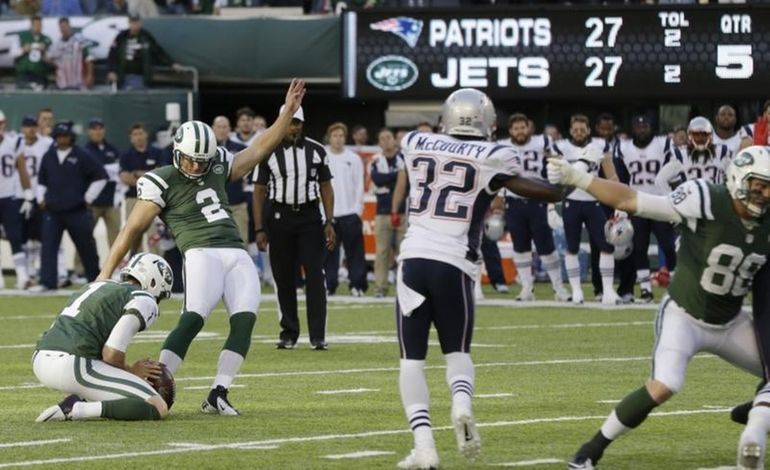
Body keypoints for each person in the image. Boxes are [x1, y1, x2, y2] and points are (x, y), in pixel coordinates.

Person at [546, 145, 770, 470]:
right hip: (684, 315)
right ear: (739, 178)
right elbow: (629, 200)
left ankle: (756, 411)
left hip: (730, 322)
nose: (764, 194)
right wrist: (578, 178)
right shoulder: (705, 198)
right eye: (758, 185)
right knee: (665, 385)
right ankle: (591, 449)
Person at [98, 79, 306, 415]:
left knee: (244, 320)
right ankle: (151, 387)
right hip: (200, 251)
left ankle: (218, 393)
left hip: (237, 251)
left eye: (202, 161)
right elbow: (130, 229)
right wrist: (105, 272)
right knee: (193, 318)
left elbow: (258, 149)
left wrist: (287, 115)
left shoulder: (217, 164)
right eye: (191, 160)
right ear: (178, 152)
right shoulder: (161, 179)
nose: (197, 166)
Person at [388, 88, 569, 470]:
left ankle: (425, 447)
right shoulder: (495, 155)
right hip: (453, 264)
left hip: (414, 260)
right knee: (456, 352)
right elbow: (539, 191)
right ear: (486, 122)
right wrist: (568, 183)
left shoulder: (416, 141)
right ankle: (461, 404)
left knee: (411, 361)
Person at [34, 252, 173, 422]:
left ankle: (74, 400)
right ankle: (77, 409)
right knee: (157, 406)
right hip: (74, 365)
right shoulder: (144, 298)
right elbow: (111, 353)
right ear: (153, 282)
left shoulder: (96, 286)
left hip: (40, 359)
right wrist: (131, 371)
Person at [253, 104, 335, 350]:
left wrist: (329, 221)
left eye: (297, 122)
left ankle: (317, 335)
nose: (294, 127)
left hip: (310, 218)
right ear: (282, 122)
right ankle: (289, 332)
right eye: (290, 122)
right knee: (283, 276)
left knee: (315, 275)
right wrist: (259, 228)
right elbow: (258, 192)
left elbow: (326, 187)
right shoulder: (268, 151)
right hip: (279, 217)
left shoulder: (317, 151)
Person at [498, 113, 569, 301]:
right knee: (520, 247)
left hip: (538, 199)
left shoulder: (542, 141)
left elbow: (559, 160)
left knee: (546, 246)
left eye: (523, 127)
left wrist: (553, 163)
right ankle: (527, 288)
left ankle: (558, 287)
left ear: (529, 127)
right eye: (516, 128)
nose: (520, 131)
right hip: (513, 201)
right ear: (510, 130)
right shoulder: (503, 145)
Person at [552, 114, 619, 305]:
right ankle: (576, 290)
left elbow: (612, 175)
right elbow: (554, 179)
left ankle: (607, 290)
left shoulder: (600, 145)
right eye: (575, 130)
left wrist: (618, 202)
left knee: (606, 246)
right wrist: (551, 205)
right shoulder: (561, 147)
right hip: (571, 201)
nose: (579, 133)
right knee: (571, 247)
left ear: (589, 130)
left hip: (593, 200)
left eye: (582, 129)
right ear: (570, 131)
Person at [33, 121, 107, 292]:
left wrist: (89, 197)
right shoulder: (49, 155)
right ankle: (47, 282)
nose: (62, 139)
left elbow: (101, 175)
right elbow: (41, 179)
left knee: (86, 246)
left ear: (71, 137)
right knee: (48, 246)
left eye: (65, 136)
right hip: (53, 210)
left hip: (76, 210)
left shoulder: (82, 155)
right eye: (58, 136)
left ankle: (95, 280)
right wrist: (40, 199)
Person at [614, 115, 677, 303]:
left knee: (668, 246)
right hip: (637, 203)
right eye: (638, 126)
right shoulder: (624, 147)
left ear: (651, 128)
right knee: (639, 248)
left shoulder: (664, 144)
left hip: (660, 202)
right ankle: (645, 289)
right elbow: (622, 179)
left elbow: (673, 172)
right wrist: (621, 206)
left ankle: (675, 286)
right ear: (633, 128)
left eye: (645, 126)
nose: (642, 129)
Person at [323, 122, 367, 297]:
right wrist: (323, 213)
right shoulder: (323, 156)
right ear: (329, 137)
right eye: (335, 135)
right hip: (329, 216)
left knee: (355, 253)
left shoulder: (354, 158)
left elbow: (359, 186)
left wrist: (357, 210)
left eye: (341, 135)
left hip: (350, 214)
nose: (338, 139)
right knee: (328, 253)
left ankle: (357, 285)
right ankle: (329, 285)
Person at [119, 122, 165, 256]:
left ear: (146, 134)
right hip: (133, 199)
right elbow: (124, 177)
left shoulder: (157, 152)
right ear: (131, 138)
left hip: (154, 200)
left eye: (140, 133)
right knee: (133, 234)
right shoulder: (126, 155)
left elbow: (161, 174)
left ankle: (157, 262)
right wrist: (149, 176)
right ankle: (134, 265)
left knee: (154, 235)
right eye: (135, 134)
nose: (138, 137)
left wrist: (137, 174)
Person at [370, 127, 406, 297]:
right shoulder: (376, 161)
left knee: (404, 252)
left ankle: (405, 287)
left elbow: (407, 183)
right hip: (382, 212)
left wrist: (393, 180)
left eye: (388, 137)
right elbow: (378, 180)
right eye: (382, 138)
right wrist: (397, 178)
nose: (386, 141)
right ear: (379, 142)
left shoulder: (404, 159)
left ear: (394, 140)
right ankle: (380, 287)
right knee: (382, 252)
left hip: (403, 212)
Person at [16, 115, 52, 283]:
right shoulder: (16, 143)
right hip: (20, 194)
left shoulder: (45, 143)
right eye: (27, 126)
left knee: (38, 234)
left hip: (39, 195)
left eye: (32, 126)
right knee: (22, 234)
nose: (30, 129)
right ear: (22, 128)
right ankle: (28, 268)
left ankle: (35, 266)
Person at [0, 117, 33, 289]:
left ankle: (22, 275)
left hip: (8, 197)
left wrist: (28, 194)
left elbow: (22, 169)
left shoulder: (14, 142)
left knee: (15, 237)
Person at [107, 15, 183, 90]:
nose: (135, 25)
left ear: (140, 23)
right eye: (132, 22)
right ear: (129, 23)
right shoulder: (121, 37)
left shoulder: (146, 36)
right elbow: (112, 55)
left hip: (141, 76)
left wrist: (172, 63)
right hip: (123, 76)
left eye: (137, 22)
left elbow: (158, 52)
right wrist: (112, 70)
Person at [656, 116, 732, 190]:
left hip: (715, 200)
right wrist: (672, 199)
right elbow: (660, 180)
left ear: (710, 136)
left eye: (704, 134)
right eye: (696, 135)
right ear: (690, 136)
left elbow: (734, 178)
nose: (700, 138)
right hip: (692, 201)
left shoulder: (721, 152)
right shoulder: (681, 155)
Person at [84, 118, 122, 248]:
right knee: (84, 235)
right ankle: (81, 267)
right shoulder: (85, 151)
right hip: (91, 201)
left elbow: (119, 171)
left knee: (116, 237)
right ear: (89, 131)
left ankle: (117, 266)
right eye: (94, 128)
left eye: (100, 128)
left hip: (111, 200)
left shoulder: (112, 150)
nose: (98, 131)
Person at [212, 115, 248, 244]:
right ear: (213, 128)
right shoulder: (206, 149)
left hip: (237, 204)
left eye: (224, 127)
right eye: (219, 127)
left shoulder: (240, 148)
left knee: (241, 242)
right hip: (214, 206)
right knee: (216, 245)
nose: (221, 130)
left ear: (230, 129)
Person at [47, 17, 94, 90]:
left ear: (69, 26)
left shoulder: (79, 40)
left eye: (65, 26)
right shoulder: (56, 45)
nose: (63, 29)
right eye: (61, 27)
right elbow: (48, 59)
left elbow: (89, 58)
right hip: (62, 83)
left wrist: (89, 75)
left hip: (78, 82)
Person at [14, 15, 51, 90]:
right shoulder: (21, 36)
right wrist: (23, 50)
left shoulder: (46, 39)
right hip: (24, 75)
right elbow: (12, 53)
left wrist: (44, 51)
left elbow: (52, 58)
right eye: (35, 25)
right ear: (31, 25)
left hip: (40, 75)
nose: (38, 27)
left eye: (39, 25)